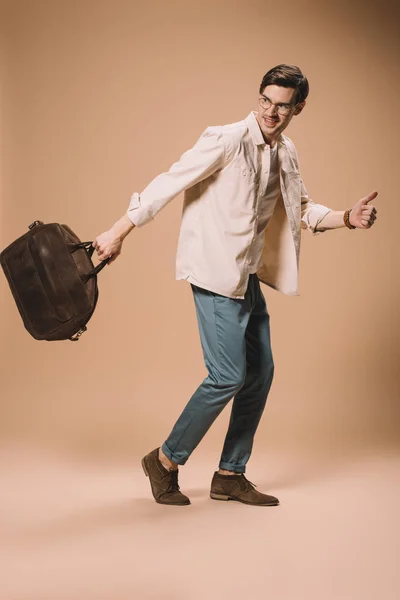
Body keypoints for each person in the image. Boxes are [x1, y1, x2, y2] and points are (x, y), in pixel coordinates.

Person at [92, 64, 378, 507]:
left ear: (297, 108)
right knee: (227, 375)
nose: (271, 111)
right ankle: (165, 461)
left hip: (247, 278)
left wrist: (346, 218)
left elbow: (302, 208)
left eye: (283, 106)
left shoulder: (287, 152)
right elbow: (168, 183)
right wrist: (116, 232)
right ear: (259, 97)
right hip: (213, 274)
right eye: (266, 100)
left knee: (260, 373)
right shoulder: (226, 139)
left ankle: (230, 474)